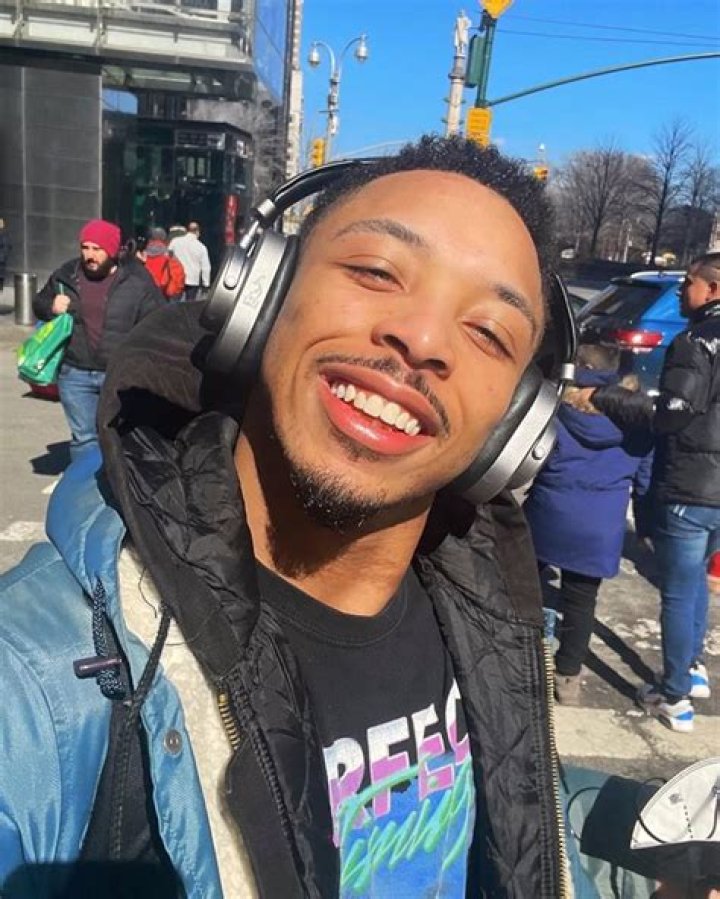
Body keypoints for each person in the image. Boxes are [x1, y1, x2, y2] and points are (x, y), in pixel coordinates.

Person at [2, 137, 572, 897]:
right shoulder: (34, 681)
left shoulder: (493, 628)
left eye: (488, 332)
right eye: (377, 272)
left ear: (514, 427)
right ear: (262, 294)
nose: (423, 339)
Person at [586, 251, 720, 733]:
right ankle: (693, 668)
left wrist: (617, 400)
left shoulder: (696, 341)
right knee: (697, 580)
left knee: (678, 592)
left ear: (713, 289)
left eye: (689, 283)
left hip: (690, 485)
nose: (683, 290)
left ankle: (674, 695)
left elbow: (673, 415)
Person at [524, 344, 653, 705]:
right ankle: (567, 679)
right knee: (581, 604)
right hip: (599, 528)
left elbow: (534, 461)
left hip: (548, 516)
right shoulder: (638, 426)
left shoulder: (557, 414)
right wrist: (647, 527)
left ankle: (522, 657)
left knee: (525, 587)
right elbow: (645, 483)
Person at [32, 218, 164, 459]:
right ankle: (85, 482)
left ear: (112, 250)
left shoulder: (137, 281)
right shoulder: (65, 275)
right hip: (75, 372)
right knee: (84, 438)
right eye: (85, 247)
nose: (89, 255)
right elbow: (38, 304)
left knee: (118, 436)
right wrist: (51, 306)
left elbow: (156, 323)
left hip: (118, 375)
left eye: (97, 249)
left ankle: (114, 479)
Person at [169, 220, 211, 300]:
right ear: (197, 232)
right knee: (190, 303)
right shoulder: (201, 247)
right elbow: (206, 267)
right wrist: (206, 284)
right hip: (193, 280)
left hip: (177, 277)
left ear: (187, 230)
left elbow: (168, 255)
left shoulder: (175, 241)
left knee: (175, 302)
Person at [140, 227, 186, 301]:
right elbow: (178, 276)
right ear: (164, 239)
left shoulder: (142, 255)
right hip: (163, 294)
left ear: (150, 238)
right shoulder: (169, 255)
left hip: (145, 294)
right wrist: (171, 293)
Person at [0, 216, 11, 292]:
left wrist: (2, 257)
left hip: (1, 260)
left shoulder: (4, 235)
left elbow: (6, 247)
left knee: (1, 275)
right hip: (2, 259)